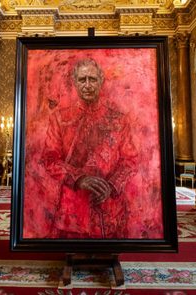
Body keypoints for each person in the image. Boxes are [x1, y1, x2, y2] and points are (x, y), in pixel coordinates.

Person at [41, 58, 138, 239]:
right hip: (72, 208)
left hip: (110, 208)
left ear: (100, 81)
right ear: (75, 82)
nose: (87, 85)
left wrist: (111, 186)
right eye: (82, 79)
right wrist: (79, 179)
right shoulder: (60, 118)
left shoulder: (118, 119)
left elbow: (130, 160)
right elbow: (49, 159)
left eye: (92, 79)